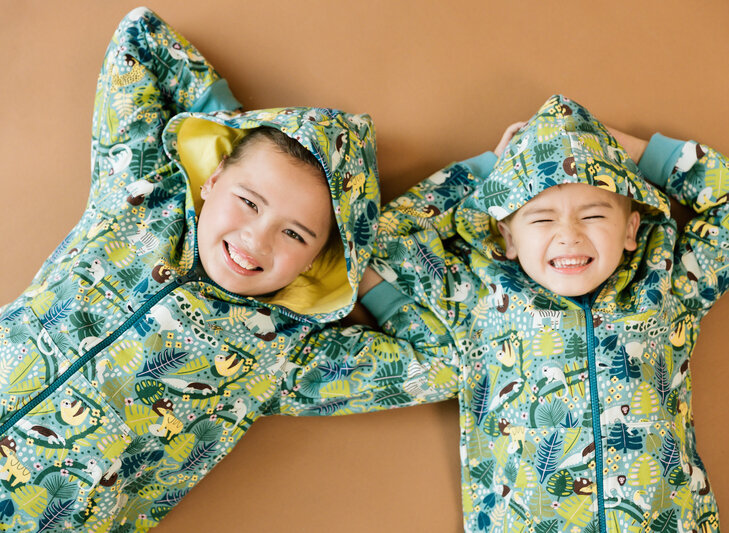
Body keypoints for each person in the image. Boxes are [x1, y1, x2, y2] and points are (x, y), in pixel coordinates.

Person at [0, 8, 456, 531]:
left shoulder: (286, 355)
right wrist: (234, 127)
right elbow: (140, 37)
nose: (255, 239)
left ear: (317, 259)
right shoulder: (141, 200)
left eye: (295, 234)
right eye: (249, 200)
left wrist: (367, 265)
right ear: (214, 179)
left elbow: (438, 361)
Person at [358, 94, 729, 532]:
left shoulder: (667, 283)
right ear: (508, 237)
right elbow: (384, 238)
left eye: (593, 215)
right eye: (541, 220)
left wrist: (627, 150)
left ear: (631, 229)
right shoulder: (479, 296)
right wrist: (491, 168)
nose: (569, 236)